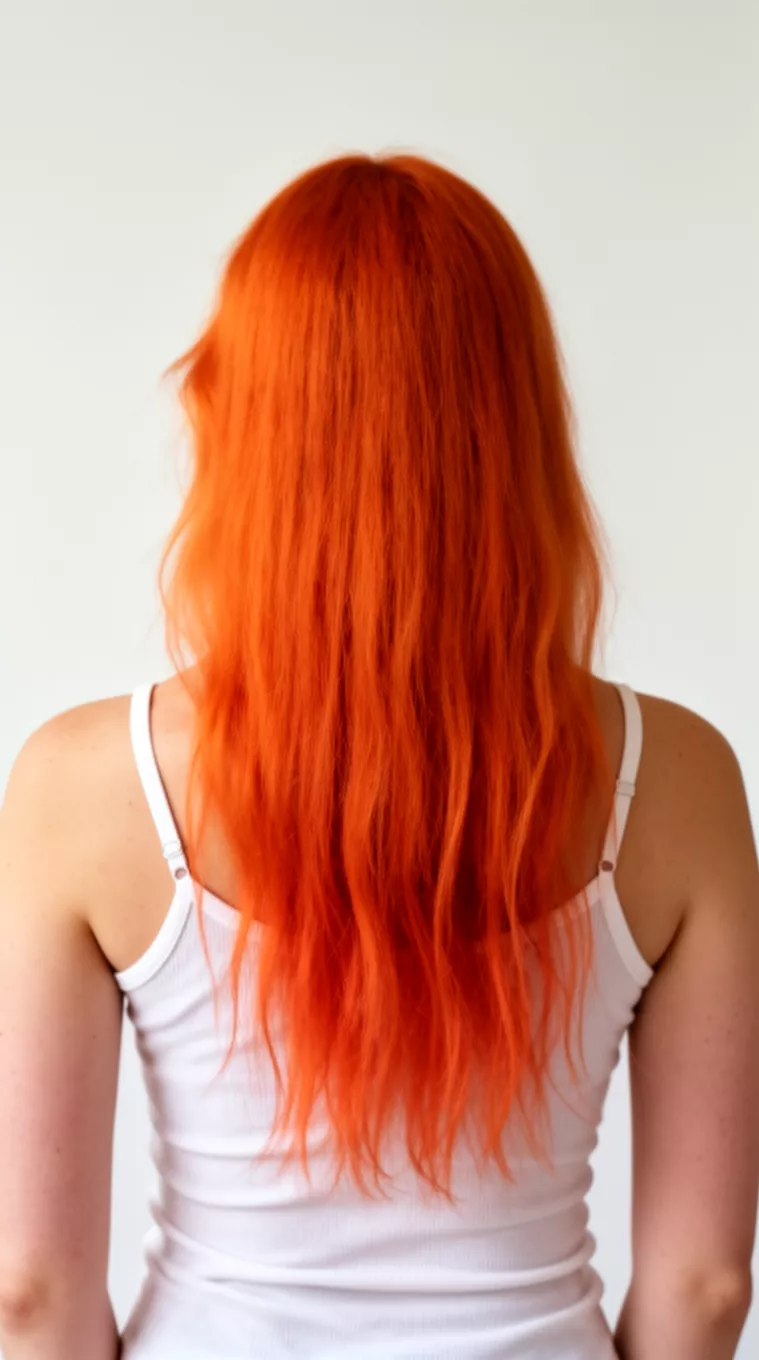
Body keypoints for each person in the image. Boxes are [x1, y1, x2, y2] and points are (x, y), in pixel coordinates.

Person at [0, 153, 757, 1360]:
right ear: (512, 423)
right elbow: (709, 1284)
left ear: (241, 421)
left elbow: (29, 1291)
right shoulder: (676, 782)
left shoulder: (87, 785)